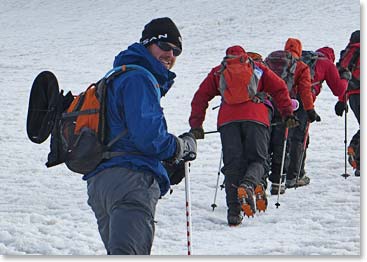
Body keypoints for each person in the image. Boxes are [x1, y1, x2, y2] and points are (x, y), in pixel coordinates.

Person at [84, 17, 197, 255]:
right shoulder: (140, 78)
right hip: (130, 181)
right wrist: (180, 147)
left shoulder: (116, 75)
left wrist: (164, 165)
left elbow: (127, 133)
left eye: (176, 51)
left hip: (102, 182)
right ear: (147, 44)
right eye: (164, 47)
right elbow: (149, 138)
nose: (170, 54)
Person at [189, 45, 298, 226]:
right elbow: (279, 87)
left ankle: (233, 213)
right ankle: (249, 184)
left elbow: (200, 97)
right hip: (256, 117)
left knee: (232, 165)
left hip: (227, 121)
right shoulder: (257, 69)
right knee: (259, 160)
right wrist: (287, 113)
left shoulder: (218, 72)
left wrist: (196, 125)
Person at [267, 38, 320, 194]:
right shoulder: (301, 66)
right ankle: (278, 183)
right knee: (283, 143)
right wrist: (310, 110)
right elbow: (305, 90)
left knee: (265, 142)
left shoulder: (271, 60)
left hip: (268, 106)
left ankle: (261, 179)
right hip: (287, 108)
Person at [296, 46, 348, 182]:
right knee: (300, 137)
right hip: (305, 101)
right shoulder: (327, 63)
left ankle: (282, 173)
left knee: (285, 135)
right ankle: (297, 174)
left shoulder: (302, 59)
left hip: (286, 99)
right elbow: (338, 89)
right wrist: (345, 78)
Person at [335, 30, 360, 176]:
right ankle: (355, 148)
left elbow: (343, 79)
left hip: (352, 95)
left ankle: (358, 162)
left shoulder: (349, 53)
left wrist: (342, 101)